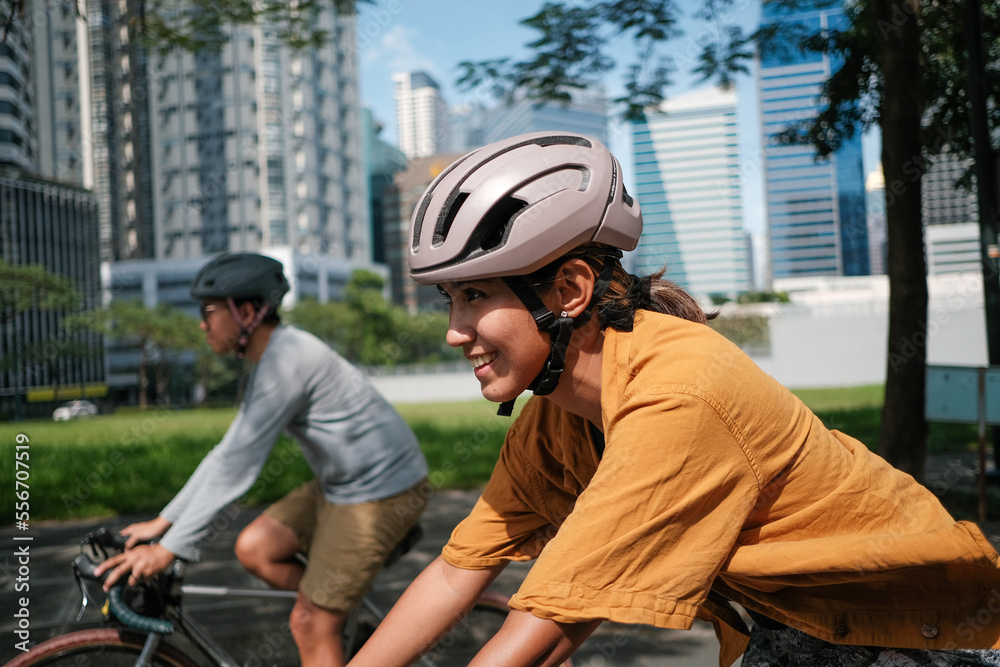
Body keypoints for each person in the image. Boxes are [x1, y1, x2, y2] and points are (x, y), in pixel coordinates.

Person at [346, 132, 1000, 667]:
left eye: (477, 297)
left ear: (570, 290)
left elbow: (550, 623)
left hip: (926, 632)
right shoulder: (557, 420)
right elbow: (458, 570)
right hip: (794, 630)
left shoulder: (680, 394)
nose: (454, 331)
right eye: (451, 299)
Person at [95, 253, 430, 667]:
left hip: (384, 492)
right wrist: (165, 523)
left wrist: (170, 550)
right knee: (257, 548)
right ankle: (342, 617)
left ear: (248, 312)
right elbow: (228, 453)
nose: (203, 323)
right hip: (343, 485)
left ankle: (329, 622)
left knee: (308, 623)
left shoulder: (286, 361)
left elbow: (239, 468)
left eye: (209, 311)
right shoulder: (274, 358)